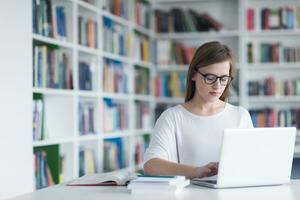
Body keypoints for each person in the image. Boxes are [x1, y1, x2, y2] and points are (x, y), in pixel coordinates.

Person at [143, 41, 253, 179]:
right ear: (194, 74)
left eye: (224, 78)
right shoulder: (172, 117)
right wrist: (196, 171)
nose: (217, 86)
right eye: (210, 78)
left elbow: (251, 164)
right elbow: (150, 165)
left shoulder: (240, 115)